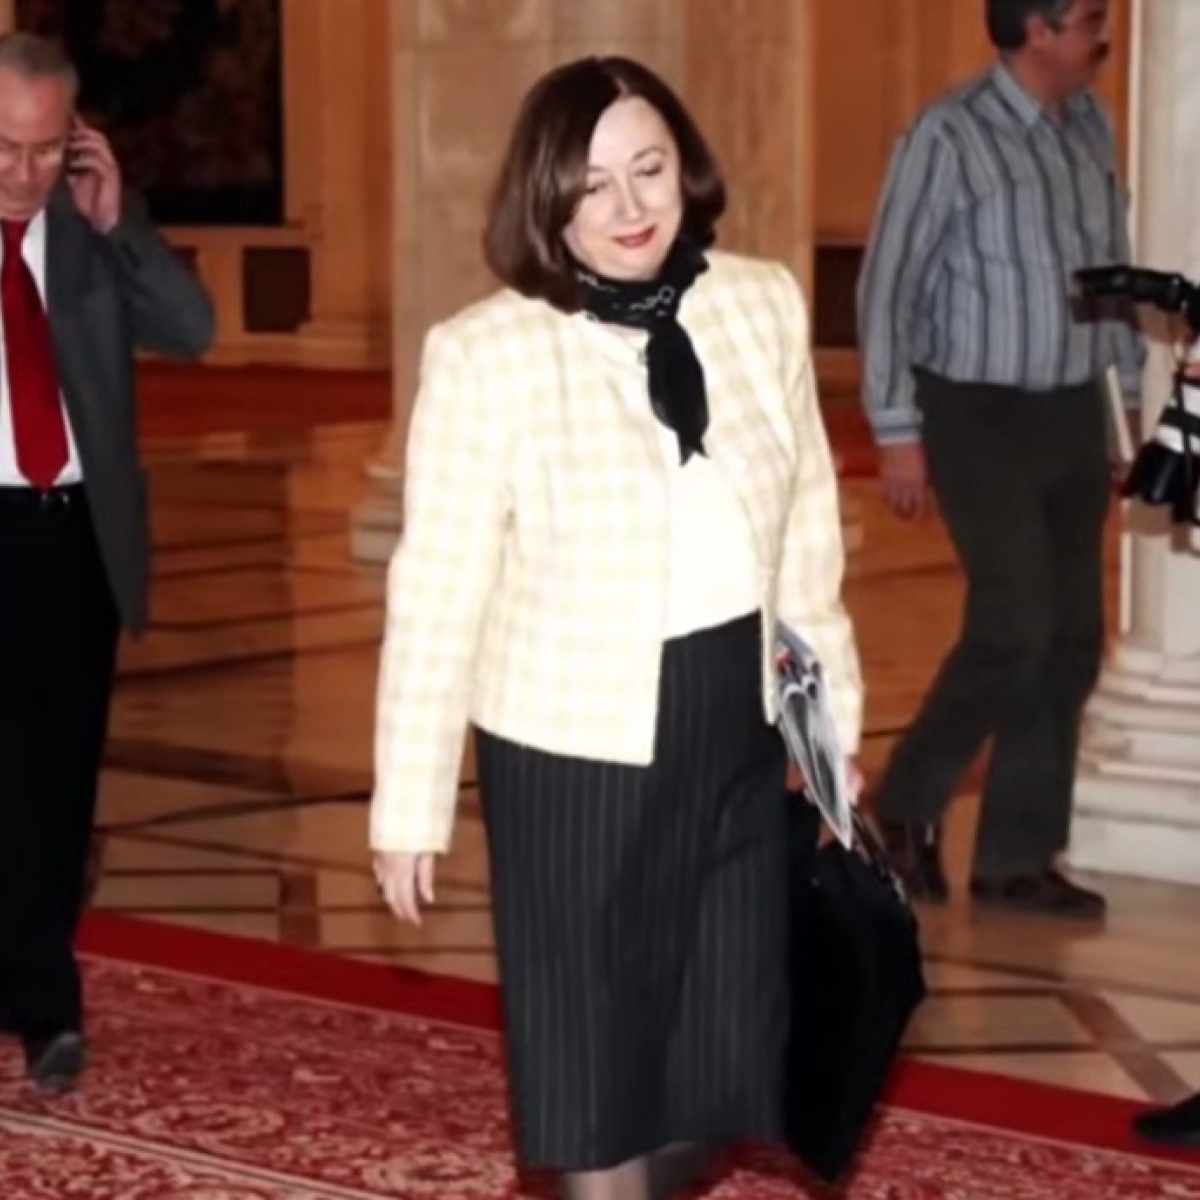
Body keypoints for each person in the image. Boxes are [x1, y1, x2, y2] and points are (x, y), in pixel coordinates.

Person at [370, 55, 863, 1200]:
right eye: (593, 185)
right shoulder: (487, 352)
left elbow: (806, 546)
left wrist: (828, 737)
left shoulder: (757, 303)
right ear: (546, 198)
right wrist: (410, 803)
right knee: (594, 1077)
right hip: (570, 751)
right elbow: (437, 587)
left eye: (650, 169)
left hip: (737, 733)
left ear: (687, 170)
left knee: (719, 1073)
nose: (630, 206)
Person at [856, 0, 1143, 917]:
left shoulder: (1091, 126)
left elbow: (1111, 272)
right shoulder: (949, 135)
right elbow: (889, 284)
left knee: (1071, 637)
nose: (1105, 34)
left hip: (1072, 406)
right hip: (974, 409)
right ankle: (904, 805)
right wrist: (896, 428)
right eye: (1090, 18)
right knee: (1015, 618)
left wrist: (1127, 410)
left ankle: (1018, 853)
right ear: (1039, 30)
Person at [0, 33, 214, 1093]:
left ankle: (45, 1005)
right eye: (4, 149)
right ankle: (31, 986)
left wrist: (118, 219)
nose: (24, 172)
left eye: (45, 149)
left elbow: (193, 327)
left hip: (73, 538)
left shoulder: (90, 229)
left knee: (59, 785)